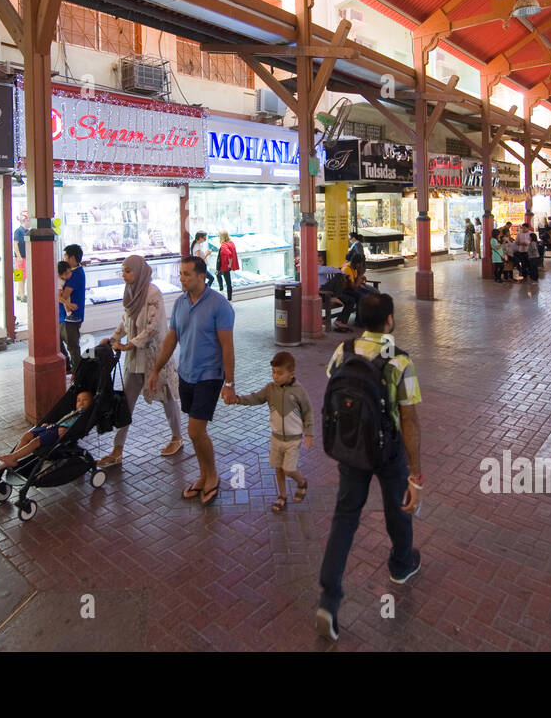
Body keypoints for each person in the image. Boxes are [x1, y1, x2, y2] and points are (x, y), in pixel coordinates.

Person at [315, 293, 422, 642]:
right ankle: (401, 564)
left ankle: (329, 599)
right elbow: (409, 419)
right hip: (388, 451)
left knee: (344, 518)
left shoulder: (343, 352)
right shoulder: (398, 359)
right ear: (389, 320)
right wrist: (415, 474)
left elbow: (334, 389)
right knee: (397, 509)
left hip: (352, 446)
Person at [148, 256, 235, 507]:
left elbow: (227, 347)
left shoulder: (219, 305)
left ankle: (213, 476)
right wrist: (156, 369)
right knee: (197, 434)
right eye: (181, 273)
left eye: (187, 274)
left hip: (210, 375)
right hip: (185, 374)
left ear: (201, 276)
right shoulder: (180, 304)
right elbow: (171, 338)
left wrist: (229, 383)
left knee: (195, 431)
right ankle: (204, 475)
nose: (182, 278)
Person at [98, 255, 184, 467]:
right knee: (126, 404)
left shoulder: (152, 292)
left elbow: (153, 326)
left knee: (167, 397)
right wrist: (114, 338)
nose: (124, 274)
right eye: (123, 270)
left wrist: (130, 344)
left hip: (155, 356)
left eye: (128, 270)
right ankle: (117, 449)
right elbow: (125, 320)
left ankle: (177, 437)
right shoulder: (129, 292)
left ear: (139, 271)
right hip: (135, 358)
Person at [229, 351, 313, 513]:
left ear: (291, 373)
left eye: (280, 373)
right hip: (275, 439)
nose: (275, 376)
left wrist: (309, 433)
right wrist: (238, 399)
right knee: (278, 468)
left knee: (288, 469)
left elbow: (308, 412)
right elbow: (255, 398)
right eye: (273, 372)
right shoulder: (270, 389)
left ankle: (301, 482)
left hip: (293, 439)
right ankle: (282, 496)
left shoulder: (299, 391)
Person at [0, 391, 92, 469]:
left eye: (85, 400)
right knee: (27, 435)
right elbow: (63, 420)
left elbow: (74, 428)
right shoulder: (73, 412)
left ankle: (12, 457)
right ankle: (13, 458)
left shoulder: (83, 417)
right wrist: (50, 424)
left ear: (91, 403)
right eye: (78, 400)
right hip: (52, 427)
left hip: (59, 432)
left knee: (35, 442)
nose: (81, 403)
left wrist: (66, 431)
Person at [61, 244, 86, 377]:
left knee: (72, 346)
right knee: (60, 341)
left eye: (65, 256)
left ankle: (78, 374)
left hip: (72, 316)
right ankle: (69, 367)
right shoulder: (74, 271)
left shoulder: (75, 274)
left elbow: (64, 295)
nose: (64, 258)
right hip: (65, 316)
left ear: (72, 257)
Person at [332, 258, 367, 331]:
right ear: (357, 264)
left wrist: (359, 277)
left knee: (363, 295)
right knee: (358, 298)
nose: (361, 266)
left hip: (346, 290)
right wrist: (360, 275)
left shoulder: (353, 268)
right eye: (361, 264)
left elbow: (354, 283)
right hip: (340, 291)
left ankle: (359, 320)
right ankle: (356, 321)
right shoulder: (347, 269)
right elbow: (354, 287)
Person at [215, 231, 239, 301]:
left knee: (228, 283)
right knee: (219, 276)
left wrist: (229, 264)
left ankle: (227, 297)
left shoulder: (223, 245)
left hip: (224, 266)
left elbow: (229, 254)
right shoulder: (231, 243)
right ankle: (226, 295)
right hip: (226, 267)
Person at [12, 212, 29, 301]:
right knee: (20, 276)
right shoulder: (18, 231)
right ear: (24, 220)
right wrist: (18, 256)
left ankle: (19, 293)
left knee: (24, 276)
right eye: (28, 220)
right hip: (20, 257)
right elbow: (15, 244)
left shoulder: (27, 231)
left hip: (25, 257)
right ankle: (22, 296)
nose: (29, 222)